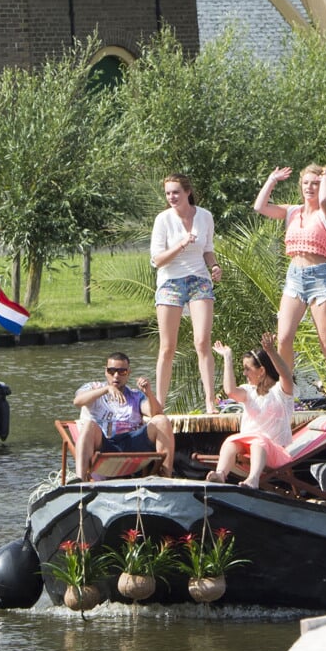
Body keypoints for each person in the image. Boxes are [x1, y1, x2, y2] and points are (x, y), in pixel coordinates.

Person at [256, 162, 326, 408]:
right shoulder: (292, 212)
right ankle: (287, 392)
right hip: (295, 277)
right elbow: (260, 207)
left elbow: (322, 202)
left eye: (315, 183)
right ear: (300, 186)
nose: (309, 187)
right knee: (284, 338)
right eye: (306, 183)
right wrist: (272, 180)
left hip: (321, 278)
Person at [150, 174, 220, 411]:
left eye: (176, 192)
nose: (171, 197)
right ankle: (159, 403)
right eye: (168, 193)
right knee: (168, 346)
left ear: (187, 192)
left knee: (202, 341)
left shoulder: (205, 216)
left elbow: (207, 250)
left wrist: (215, 266)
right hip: (171, 281)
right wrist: (180, 244)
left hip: (199, 279)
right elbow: (157, 260)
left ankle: (210, 400)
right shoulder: (163, 220)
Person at [207, 335, 295, 489]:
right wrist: (227, 357)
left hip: (276, 453)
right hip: (249, 450)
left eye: (247, 369)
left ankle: (253, 480)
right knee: (231, 441)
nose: (244, 373)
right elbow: (230, 391)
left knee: (257, 441)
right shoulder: (249, 391)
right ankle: (220, 474)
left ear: (261, 370)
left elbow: (286, 375)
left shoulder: (281, 392)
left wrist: (271, 352)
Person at [71, 352, 174, 481]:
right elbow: (78, 401)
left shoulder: (135, 395)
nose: (116, 376)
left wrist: (149, 393)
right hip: (105, 443)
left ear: (128, 373)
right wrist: (106, 389)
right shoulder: (94, 387)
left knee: (162, 421)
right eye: (111, 371)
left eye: (122, 372)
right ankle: (80, 480)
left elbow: (156, 413)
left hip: (131, 443)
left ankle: (167, 478)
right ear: (105, 371)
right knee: (89, 425)